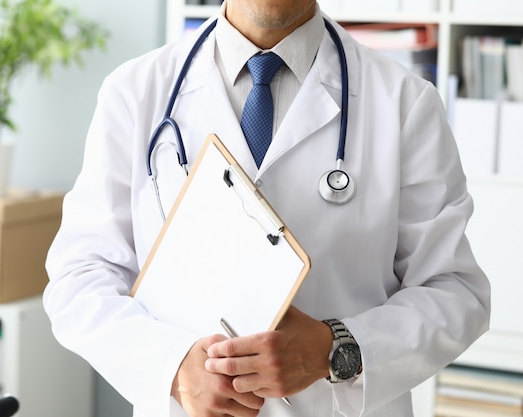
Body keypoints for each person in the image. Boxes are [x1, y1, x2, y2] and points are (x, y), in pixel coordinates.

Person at [43, 1, 491, 416]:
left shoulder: (404, 103)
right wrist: (174, 366)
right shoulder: (135, 93)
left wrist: (334, 349)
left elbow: (454, 292)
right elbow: (80, 277)